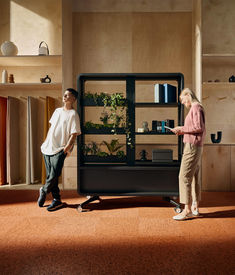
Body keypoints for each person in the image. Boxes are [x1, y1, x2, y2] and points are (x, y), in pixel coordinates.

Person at [38, 88, 81, 211]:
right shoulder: (57, 111)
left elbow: (74, 133)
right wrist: (46, 142)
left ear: (73, 99)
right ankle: (57, 200)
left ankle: (44, 190)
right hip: (48, 147)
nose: (65, 96)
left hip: (60, 148)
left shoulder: (73, 114)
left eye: (68, 95)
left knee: (55, 174)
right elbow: (52, 128)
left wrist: (67, 148)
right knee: (52, 176)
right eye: (64, 95)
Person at [171, 88, 206, 221]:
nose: (182, 102)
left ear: (188, 95)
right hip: (196, 145)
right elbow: (196, 127)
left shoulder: (195, 107)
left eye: (182, 99)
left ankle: (186, 210)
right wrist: (182, 128)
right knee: (194, 176)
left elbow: (198, 128)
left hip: (192, 146)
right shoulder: (198, 107)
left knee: (183, 176)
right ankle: (195, 206)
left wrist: (181, 130)